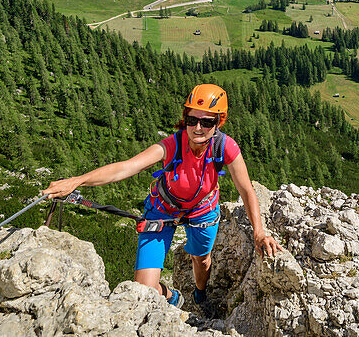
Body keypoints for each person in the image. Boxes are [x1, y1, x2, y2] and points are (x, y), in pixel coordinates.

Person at [42, 83, 282, 308]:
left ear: (218, 123)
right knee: (143, 289)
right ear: (185, 118)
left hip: (203, 210)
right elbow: (127, 167)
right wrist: (77, 181)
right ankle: (172, 296)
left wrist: (259, 232)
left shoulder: (225, 147)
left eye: (206, 122)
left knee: (202, 260)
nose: (198, 127)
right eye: (192, 119)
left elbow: (246, 189)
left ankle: (199, 293)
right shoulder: (172, 145)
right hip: (163, 209)